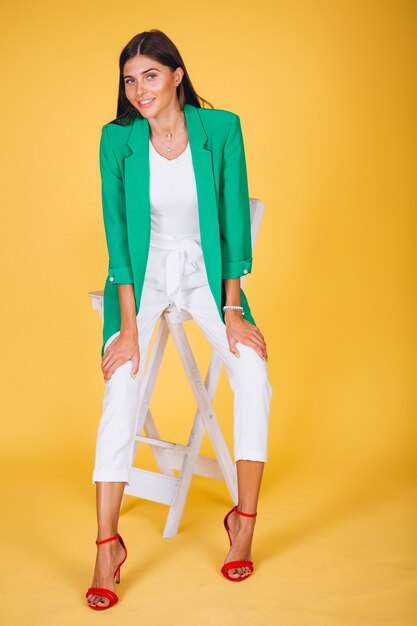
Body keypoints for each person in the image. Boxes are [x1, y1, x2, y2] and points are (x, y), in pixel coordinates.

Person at [86, 29, 273, 610]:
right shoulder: (117, 140)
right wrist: (128, 328)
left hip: (206, 276)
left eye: (149, 75)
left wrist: (234, 309)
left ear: (176, 75)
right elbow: (118, 238)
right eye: (129, 79)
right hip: (141, 278)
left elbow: (235, 223)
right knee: (122, 385)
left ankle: (242, 522)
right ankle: (106, 545)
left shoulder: (221, 130)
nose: (139, 89)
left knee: (252, 374)